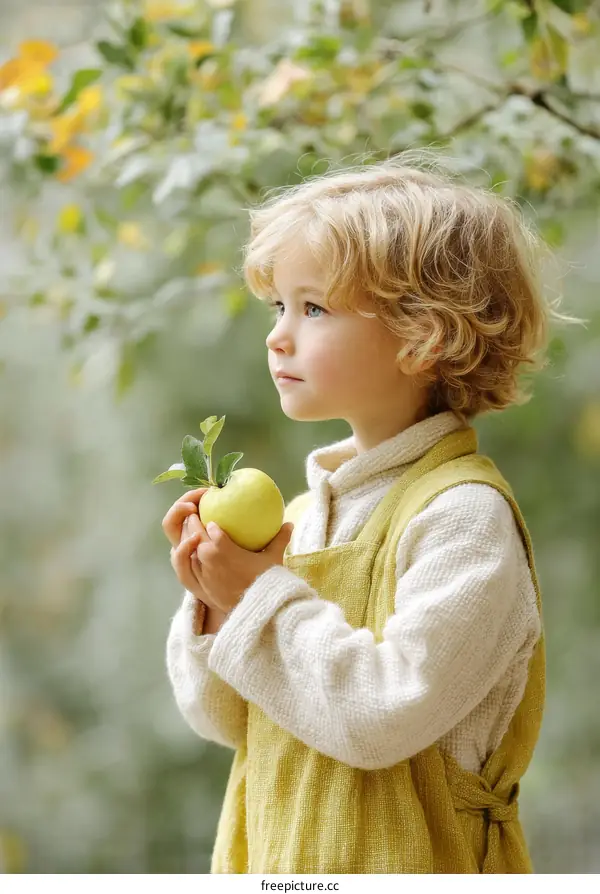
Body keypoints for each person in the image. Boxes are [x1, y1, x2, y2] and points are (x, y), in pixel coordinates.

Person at [162, 152, 585, 873]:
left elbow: (380, 715)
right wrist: (213, 605)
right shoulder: (300, 515)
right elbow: (223, 720)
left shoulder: (461, 517)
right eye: (279, 306)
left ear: (426, 335)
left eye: (314, 307)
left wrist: (257, 595)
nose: (278, 335)